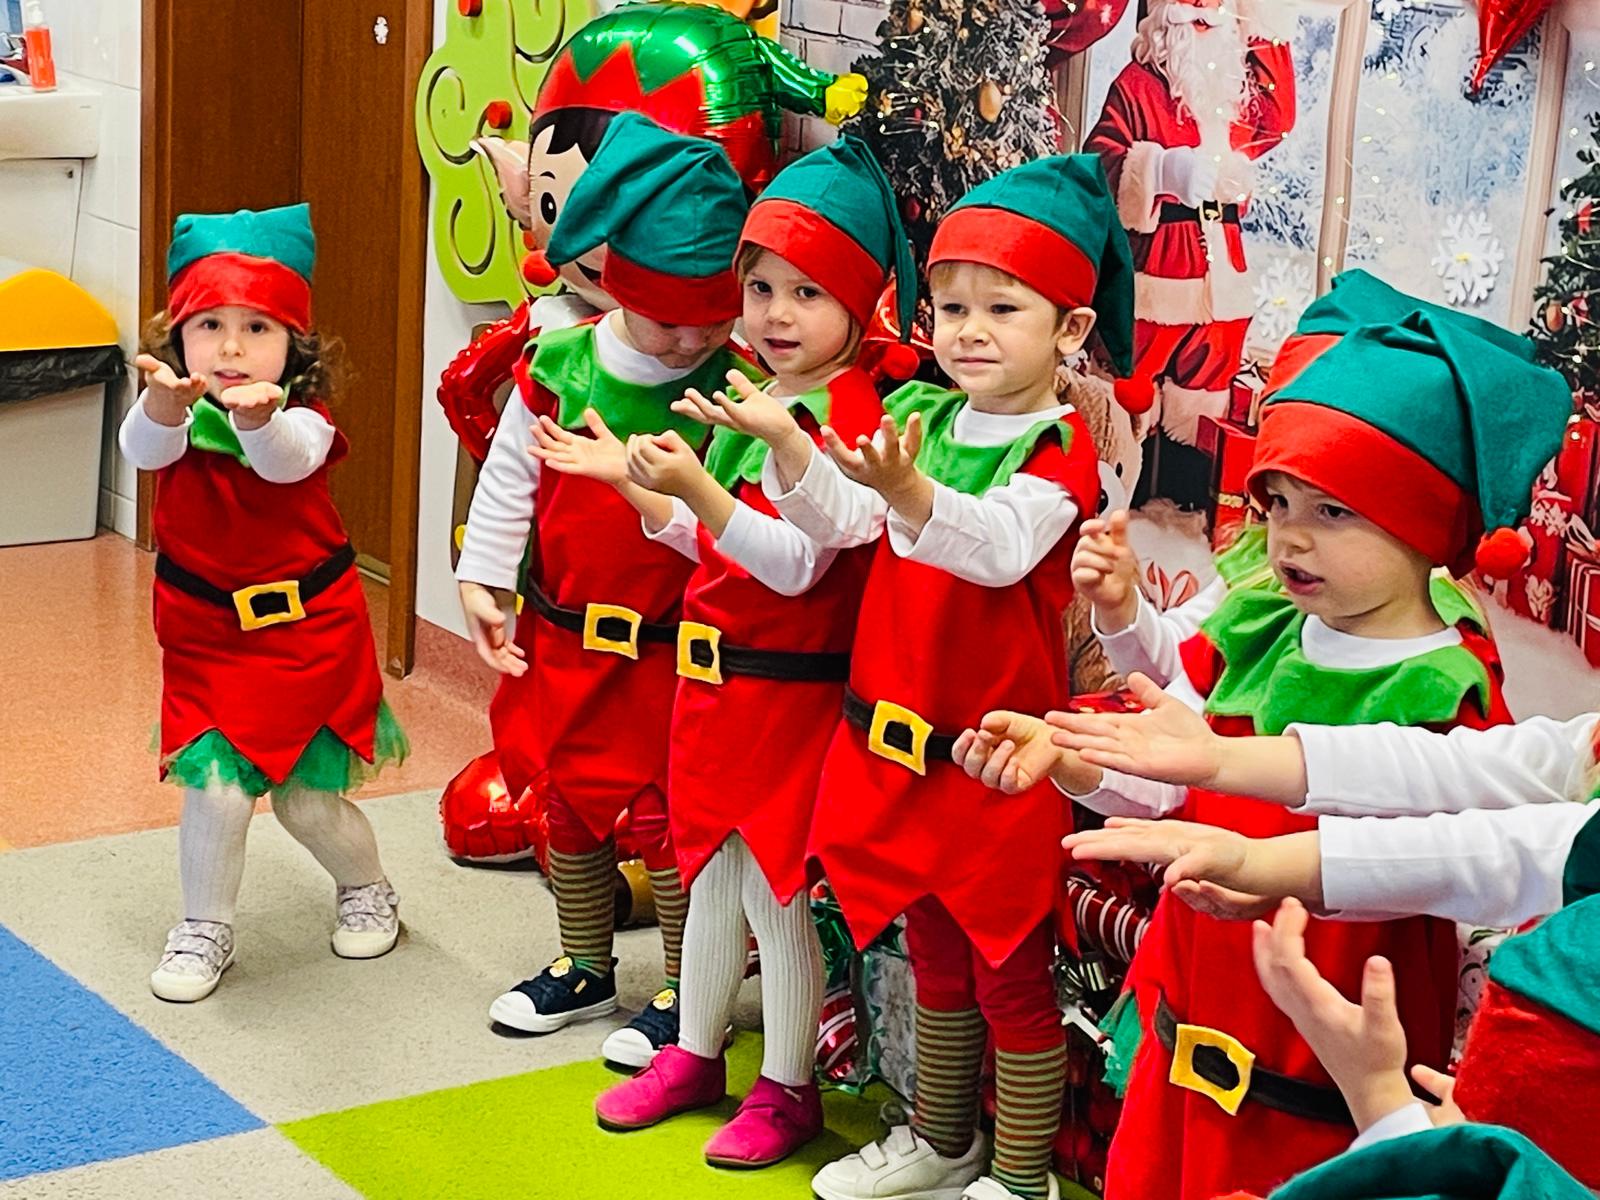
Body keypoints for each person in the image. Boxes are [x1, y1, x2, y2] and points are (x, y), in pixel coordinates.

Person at [956, 306, 1572, 1197]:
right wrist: (1074, 758)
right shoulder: (1262, 632)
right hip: (1189, 1020)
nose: (1289, 537)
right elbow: (1173, 779)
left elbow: (1459, 870)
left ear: (1427, 520)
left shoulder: (1448, 691)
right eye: (1276, 503)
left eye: (1332, 510)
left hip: (1320, 1074)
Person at [736, 154, 1131, 1200]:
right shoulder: (929, 417)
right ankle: (941, 1140)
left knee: (1008, 974)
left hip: (995, 768)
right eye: (951, 307)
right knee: (937, 961)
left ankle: (1019, 1176)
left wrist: (907, 489)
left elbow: (994, 549)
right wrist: (790, 450)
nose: (969, 331)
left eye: (1002, 308)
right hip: (898, 756)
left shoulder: (1058, 449)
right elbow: (849, 523)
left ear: (1070, 330)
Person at [456, 114, 756, 1063]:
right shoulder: (560, 365)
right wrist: (484, 577)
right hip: (563, 638)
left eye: (714, 320)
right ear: (617, 280)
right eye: (670, 321)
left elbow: (735, 524)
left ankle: (687, 987)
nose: (691, 341)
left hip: (675, 654)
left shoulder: (733, 386)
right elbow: (512, 475)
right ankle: (584, 964)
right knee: (568, 806)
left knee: (670, 823)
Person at [121, 203, 407, 1003]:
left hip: (310, 632)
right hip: (207, 634)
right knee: (216, 789)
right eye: (208, 325)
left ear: (295, 346)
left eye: (257, 327)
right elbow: (144, 450)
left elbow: (286, 464)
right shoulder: (174, 411)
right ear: (178, 338)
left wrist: (257, 421)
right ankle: (203, 926)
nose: (231, 347)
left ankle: (368, 887)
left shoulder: (304, 420)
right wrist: (162, 408)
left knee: (307, 803)